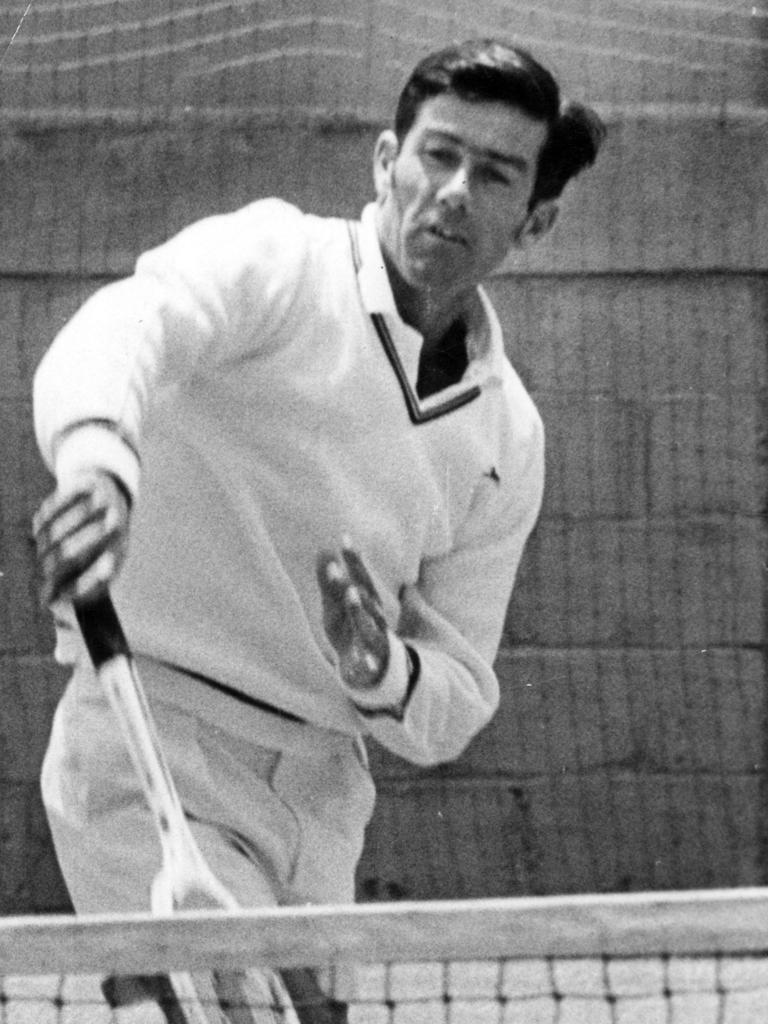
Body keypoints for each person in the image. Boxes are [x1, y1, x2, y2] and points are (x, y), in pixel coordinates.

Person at [32, 37, 605, 1020]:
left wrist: (381, 666)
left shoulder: (509, 434)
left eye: (496, 172)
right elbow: (127, 327)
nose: (456, 190)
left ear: (537, 216)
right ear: (387, 161)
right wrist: (100, 460)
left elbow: (460, 688)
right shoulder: (281, 264)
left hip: (326, 790)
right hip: (154, 741)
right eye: (438, 154)